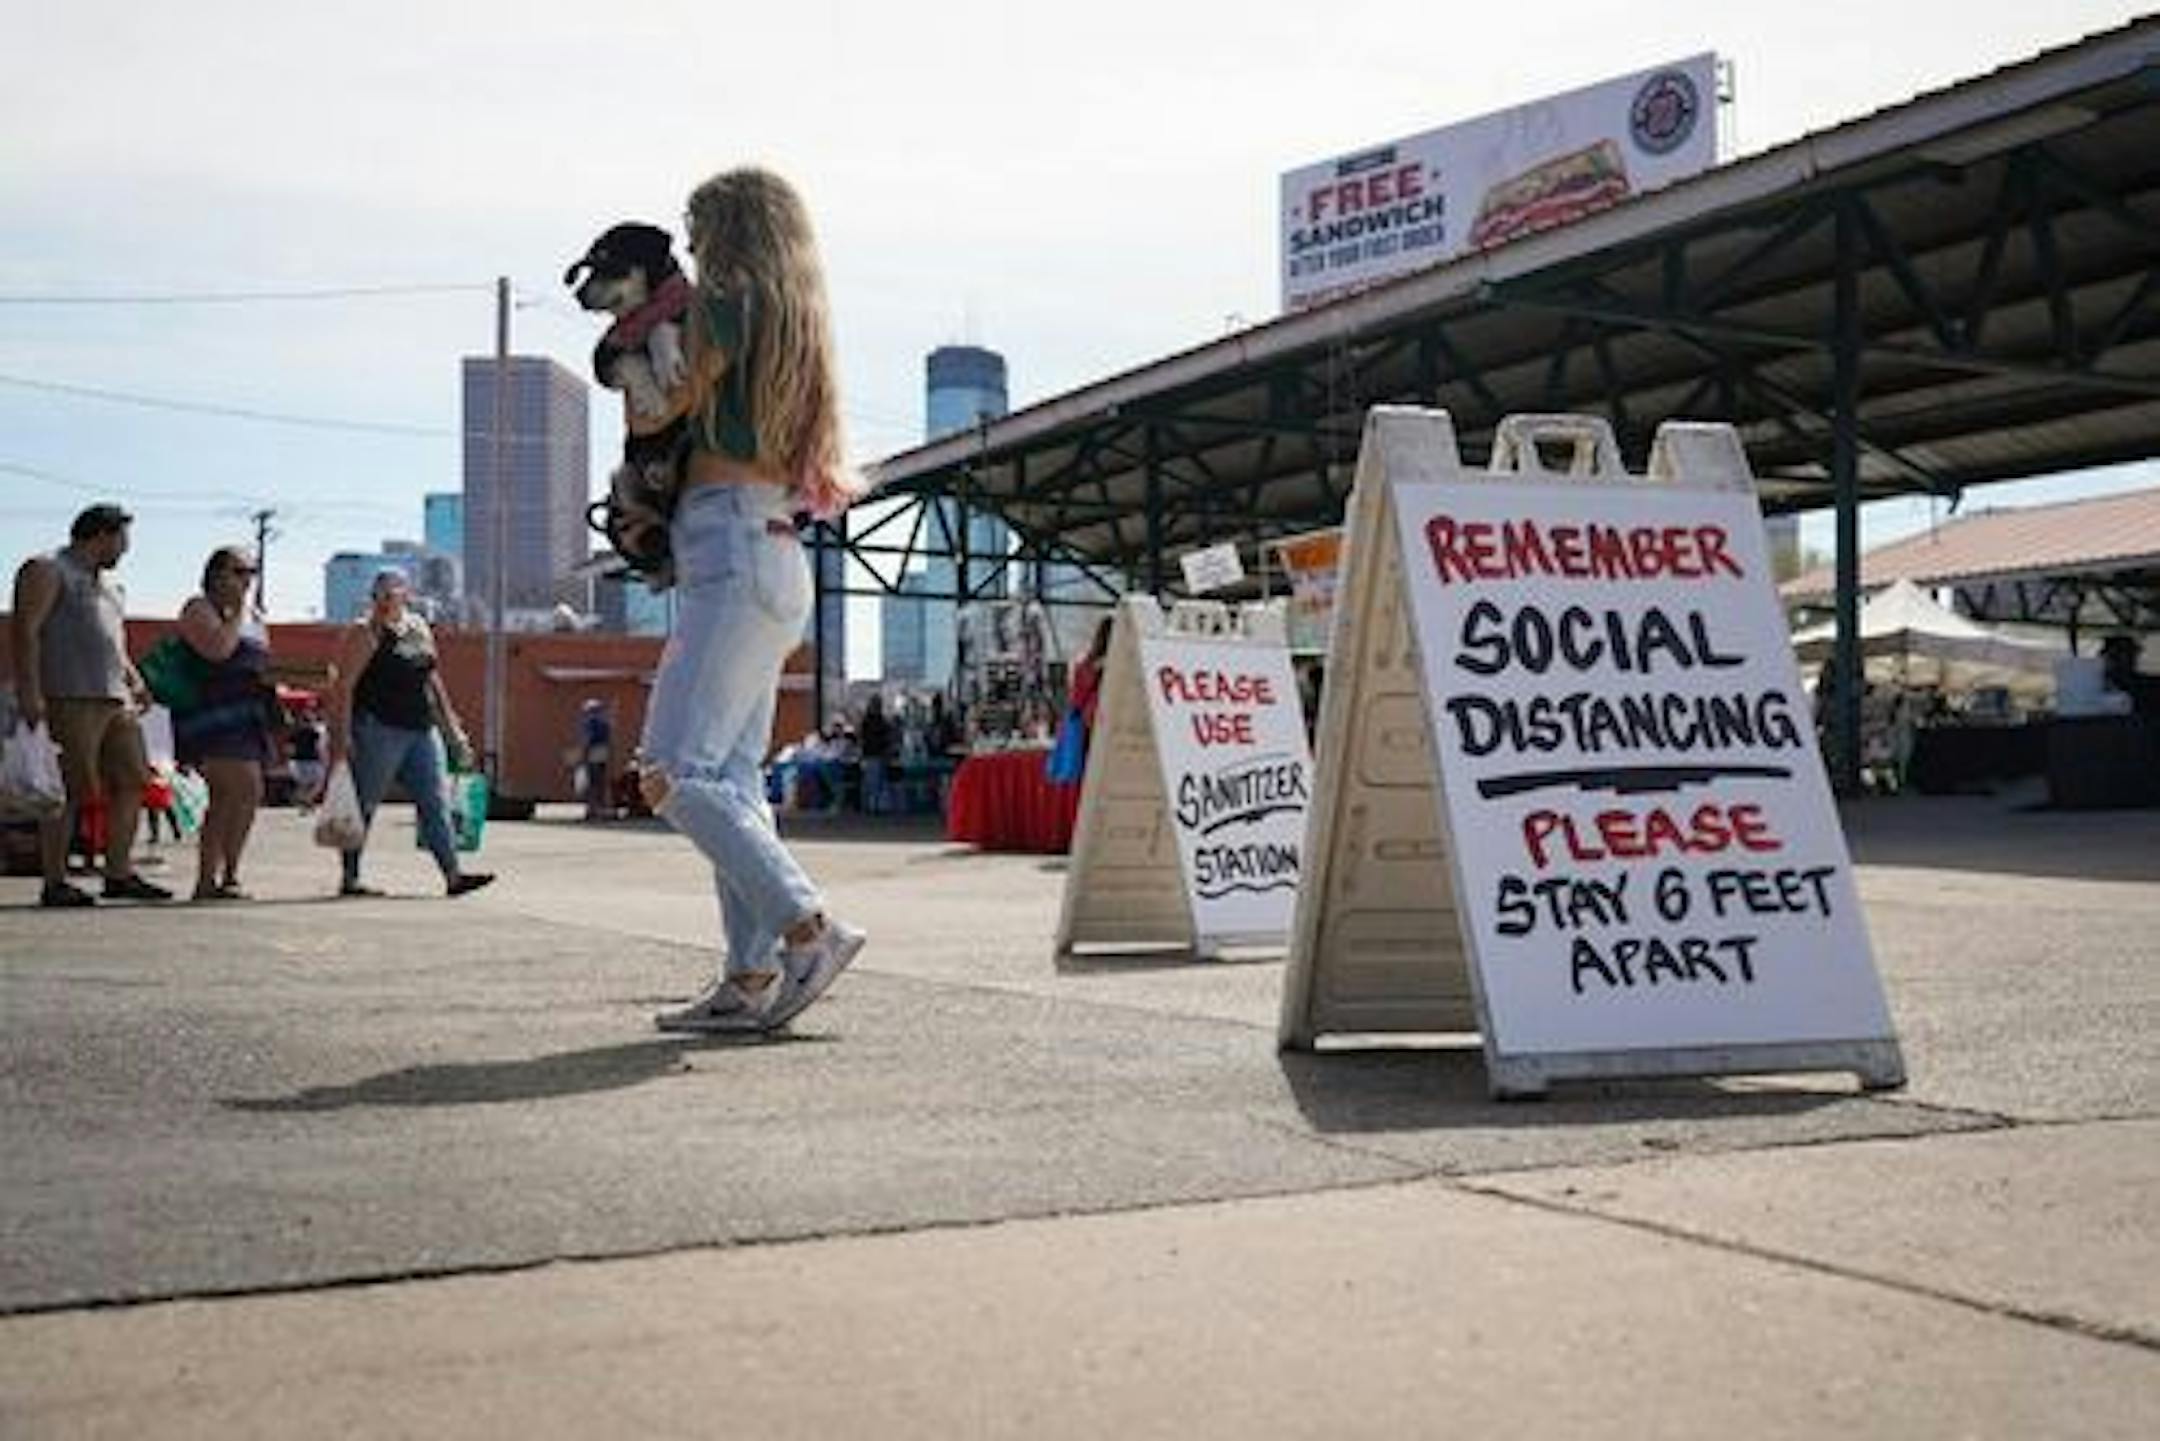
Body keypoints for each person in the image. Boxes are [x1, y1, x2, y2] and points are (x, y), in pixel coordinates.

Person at [636, 165, 868, 1035]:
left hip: (730, 549)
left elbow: (666, 404)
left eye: (696, 231)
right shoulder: (795, 323)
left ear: (726, 231)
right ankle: (749, 976)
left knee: (674, 771)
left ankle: (808, 928)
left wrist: (649, 342)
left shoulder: (726, 301)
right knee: (730, 779)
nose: (689, 249)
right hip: (771, 553)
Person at [7, 504, 170, 906]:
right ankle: (55, 879)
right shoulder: (47, 569)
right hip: (68, 695)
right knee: (68, 789)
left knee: (134, 780)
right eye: (122, 539)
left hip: (116, 699)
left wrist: (136, 680)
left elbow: (114, 644)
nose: (125, 549)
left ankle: (118, 872)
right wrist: (30, 691)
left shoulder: (112, 589)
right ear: (102, 535)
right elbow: (25, 629)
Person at [326, 569, 494, 899]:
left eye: (393, 594)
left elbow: (433, 681)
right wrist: (341, 736)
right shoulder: (365, 632)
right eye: (380, 595)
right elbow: (344, 685)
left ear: (406, 595)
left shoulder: (418, 627)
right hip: (378, 727)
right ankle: (350, 875)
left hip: (420, 728)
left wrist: (453, 732)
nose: (386, 601)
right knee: (365, 802)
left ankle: (453, 875)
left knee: (435, 800)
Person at [173, 546, 273, 900]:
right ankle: (211, 877)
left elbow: (261, 664)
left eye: (251, 573)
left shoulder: (255, 617)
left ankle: (226, 874)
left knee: (241, 796)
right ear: (216, 574)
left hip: (247, 715)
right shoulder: (199, 608)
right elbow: (218, 649)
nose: (246, 580)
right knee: (237, 789)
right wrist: (233, 614)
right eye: (238, 571)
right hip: (211, 715)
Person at [856, 693, 895, 813]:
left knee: (871, 781)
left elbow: (861, 738)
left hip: (870, 754)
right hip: (878, 753)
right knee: (878, 781)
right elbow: (888, 737)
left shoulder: (866, 721)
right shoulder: (881, 721)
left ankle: (871, 805)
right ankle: (876, 806)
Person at [578, 698, 613, 820]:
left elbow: (588, 739)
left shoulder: (591, 722)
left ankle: (592, 810)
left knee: (592, 783)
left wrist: (583, 753)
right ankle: (600, 809)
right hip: (602, 753)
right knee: (600, 783)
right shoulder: (606, 723)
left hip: (593, 753)